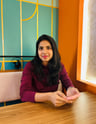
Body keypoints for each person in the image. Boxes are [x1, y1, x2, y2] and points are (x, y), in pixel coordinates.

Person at [20, 34, 80, 107]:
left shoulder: (59, 65)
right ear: (37, 51)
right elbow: (24, 94)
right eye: (41, 48)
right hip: (33, 106)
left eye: (48, 48)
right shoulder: (30, 66)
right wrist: (49, 96)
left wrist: (71, 89)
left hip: (52, 106)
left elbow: (67, 83)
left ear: (54, 50)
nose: (44, 52)